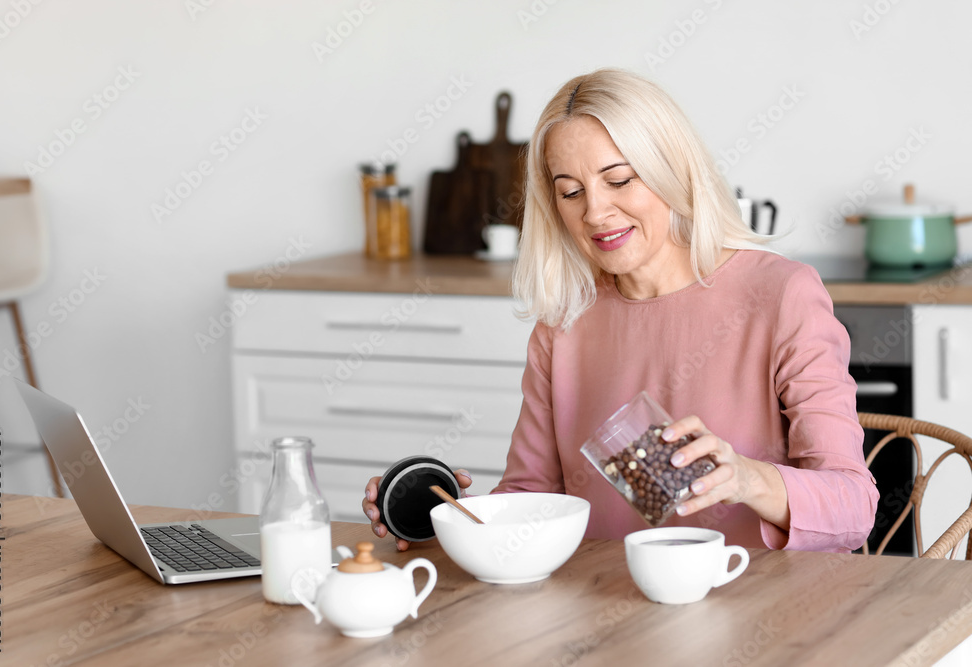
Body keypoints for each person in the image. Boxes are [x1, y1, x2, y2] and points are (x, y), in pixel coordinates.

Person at [362, 68, 878, 553]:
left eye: (620, 179)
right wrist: (444, 516)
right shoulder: (565, 322)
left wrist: (746, 477)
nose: (595, 212)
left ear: (671, 171)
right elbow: (531, 495)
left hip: (759, 620)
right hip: (612, 618)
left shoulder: (781, 294)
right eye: (570, 192)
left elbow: (854, 508)